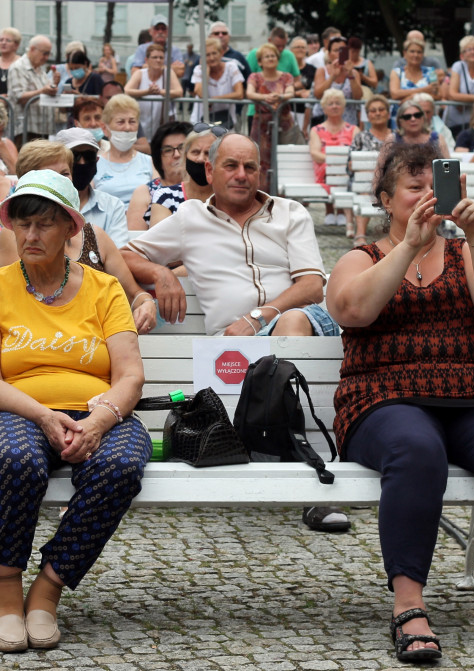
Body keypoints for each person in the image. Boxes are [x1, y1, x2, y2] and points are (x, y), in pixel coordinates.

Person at [325, 141, 474, 663]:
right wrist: (408, 246)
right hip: (382, 397)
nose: (427, 196)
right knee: (416, 449)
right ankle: (409, 604)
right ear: (386, 199)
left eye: (437, 186)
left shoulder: (464, 251)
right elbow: (352, 311)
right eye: (414, 188)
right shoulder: (361, 256)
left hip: (470, 394)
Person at [121, 133, 349, 534]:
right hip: (232, 355)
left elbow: (313, 283)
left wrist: (260, 316)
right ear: (210, 170)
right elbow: (123, 255)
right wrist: (161, 274)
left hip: (303, 323)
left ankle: (309, 480)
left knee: (292, 324)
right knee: (274, 349)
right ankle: (303, 469)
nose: (242, 175)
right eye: (231, 166)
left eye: (250, 167)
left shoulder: (290, 212)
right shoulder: (191, 218)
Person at [0, 169, 150, 653]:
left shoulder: (105, 290)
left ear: (71, 228)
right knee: (16, 461)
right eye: (22, 224)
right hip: (14, 411)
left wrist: (101, 419)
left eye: (44, 224)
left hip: (97, 410)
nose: (30, 235)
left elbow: (130, 374)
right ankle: (5, 589)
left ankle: (48, 588)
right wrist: (45, 415)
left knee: (121, 465)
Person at [0, 139, 155, 333]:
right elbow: (19, 301)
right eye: (52, 176)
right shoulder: (16, 235)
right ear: (28, 183)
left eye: (65, 173)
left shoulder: (95, 235)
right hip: (36, 338)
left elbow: (133, 293)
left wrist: (146, 303)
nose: (63, 182)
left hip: (96, 339)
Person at [248, 43, 296, 192]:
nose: (270, 58)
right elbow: (249, 93)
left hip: (283, 123)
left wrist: (280, 96)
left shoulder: (286, 77)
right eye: (266, 56)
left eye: (273, 56)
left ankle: (283, 194)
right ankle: (260, 192)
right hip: (261, 124)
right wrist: (265, 97)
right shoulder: (255, 76)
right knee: (260, 159)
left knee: (284, 159)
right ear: (260, 61)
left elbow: (290, 92)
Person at [149, 126, 220, 227]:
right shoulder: (165, 196)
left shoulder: (228, 197)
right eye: (195, 152)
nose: (200, 159)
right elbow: (159, 240)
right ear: (185, 156)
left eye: (208, 153)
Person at [94, 94, 156, 208]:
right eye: (120, 122)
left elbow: (158, 201)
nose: (127, 127)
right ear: (105, 128)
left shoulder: (150, 162)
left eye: (132, 121)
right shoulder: (94, 164)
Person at [126, 120, 190, 230]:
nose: (176, 155)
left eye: (182, 147)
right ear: (158, 157)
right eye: (168, 150)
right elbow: (135, 239)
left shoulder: (206, 187)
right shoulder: (145, 192)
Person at [351, 94, 396, 245]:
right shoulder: (360, 137)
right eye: (373, 110)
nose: (377, 113)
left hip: (392, 180)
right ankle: (360, 233)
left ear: (388, 113)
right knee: (364, 188)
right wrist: (369, 174)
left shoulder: (397, 137)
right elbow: (349, 164)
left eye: (381, 110)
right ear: (368, 115)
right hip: (365, 182)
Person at [310, 89, 357, 234]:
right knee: (332, 171)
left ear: (343, 107)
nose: (335, 106)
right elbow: (315, 154)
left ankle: (342, 212)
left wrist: (340, 162)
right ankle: (330, 210)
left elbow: (356, 153)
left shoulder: (354, 129)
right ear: (324, 108)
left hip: (346, 170)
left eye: (338, 103)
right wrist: (336, 161)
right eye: (330, 104)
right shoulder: (316, 130)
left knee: (344, 171)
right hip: (325, 170)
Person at [125, 44, 183, 141]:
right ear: (147, 60)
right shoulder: (140, 73)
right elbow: (127, 90)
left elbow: (179, 92)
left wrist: (160, 92)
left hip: (162, 122)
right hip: (141, 120)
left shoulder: (168, 73)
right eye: (155, 57)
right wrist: (147, 92)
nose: (158, 60)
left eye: (161, 57)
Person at [8, 35, 57, 145]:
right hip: (26, 129)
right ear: (32, 49)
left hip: (42, 128)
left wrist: (54, 85)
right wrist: (43, 91)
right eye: (45, 53)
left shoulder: (40, 69)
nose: (47, 57)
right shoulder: (18, 67)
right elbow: (19, 97)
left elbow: (46, 92)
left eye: (49, 53)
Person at [191, 38, 244, 129]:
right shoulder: (199, 69)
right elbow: (200, 93)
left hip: (226, 121)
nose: (211, 58)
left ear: (221, 53)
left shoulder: (231, 67)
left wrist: (213, 99)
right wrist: (206, 73)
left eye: (214, 53)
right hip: (201, 121)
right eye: (207, 55)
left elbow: (239, 94)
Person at [312, 36, 363, 128]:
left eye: (342, 50)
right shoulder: (322, 71)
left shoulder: (354, 73)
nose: (339, 54)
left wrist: (350, 74)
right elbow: (318, 94)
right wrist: (333, 76)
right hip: (325, 122)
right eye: (336, 50)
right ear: (329, 54)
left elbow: (358, 97)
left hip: (348, 122)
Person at [389, 37, 443, 105]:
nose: (416, 55)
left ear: (423, 54)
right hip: (401, 112)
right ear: (405, 53)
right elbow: (394, 94)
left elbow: (438, 95)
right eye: (412, 51)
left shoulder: (431, 72)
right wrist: (425, 89)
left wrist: (413, 96)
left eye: (419, 52)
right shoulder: (396, 72)